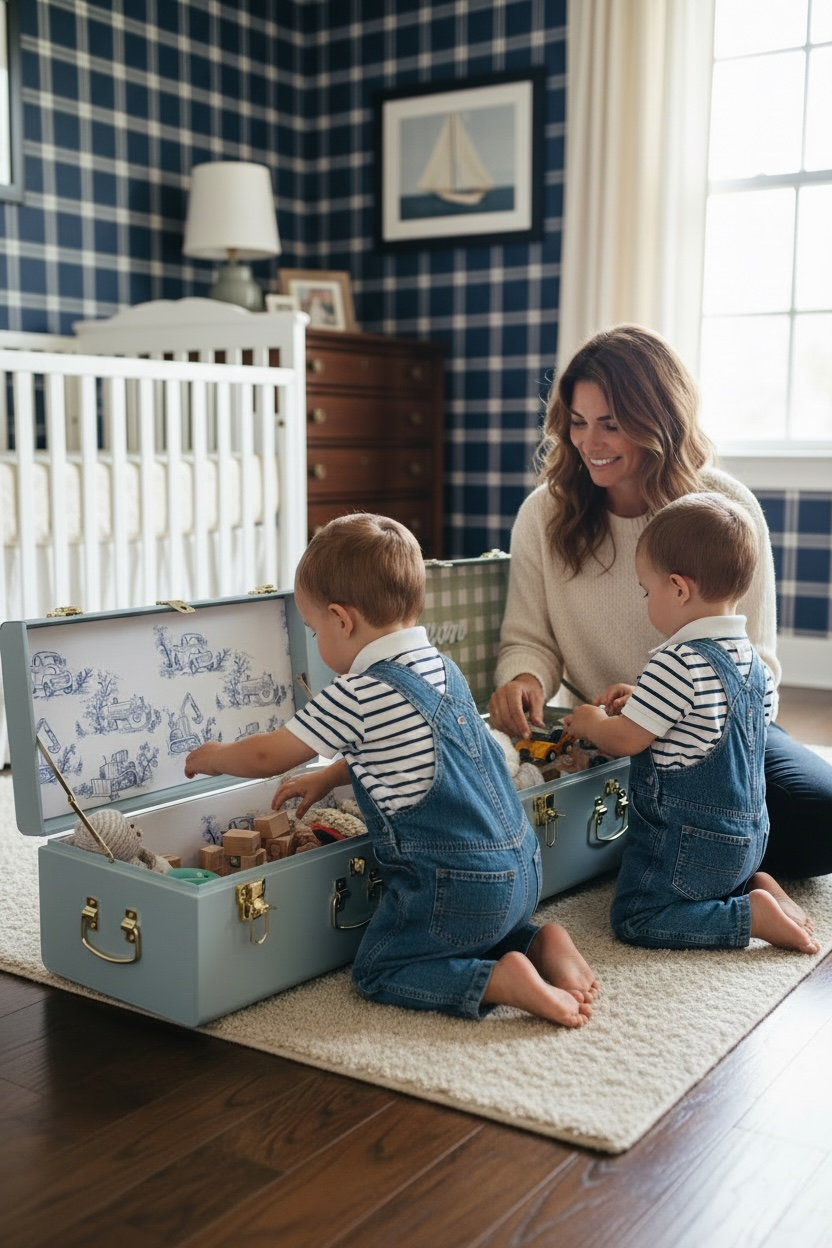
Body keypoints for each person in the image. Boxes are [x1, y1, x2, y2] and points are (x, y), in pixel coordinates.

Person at [185, 513, 598, 1027]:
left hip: (456, 883)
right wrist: (330, 776)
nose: (316, 644)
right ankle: (539, 941)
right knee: (473, 931)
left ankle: (500, 980)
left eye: (313, 631)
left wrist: (214, 757)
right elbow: (411, 750)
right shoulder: (441, 668)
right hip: (521, 866)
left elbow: (271, 754)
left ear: (342, 619)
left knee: (381, 967)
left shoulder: (359, 692)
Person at [488, 324, 832, 879]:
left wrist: (660, 718)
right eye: (577, 423)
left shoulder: (726, 508)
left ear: (659, 423)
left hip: (713, 735)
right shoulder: (543, 514)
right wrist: (525, 677)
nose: (589, 443)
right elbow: (530, 638)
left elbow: (758, 668)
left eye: (612, 425)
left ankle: (656, 841)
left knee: (821, 819)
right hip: (602, 738)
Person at [561, 492, 819, 953]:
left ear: (678, 589)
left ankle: (749, 914)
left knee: (637, 916)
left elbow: (625, 740)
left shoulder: (678, 661)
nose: (646, 601)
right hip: (752, 833)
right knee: (706, 882)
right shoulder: (752, 662)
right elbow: (726, 725)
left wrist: (591, 720)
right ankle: (752, 883)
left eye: (646, 590)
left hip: (690, 842)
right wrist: (644, 701)